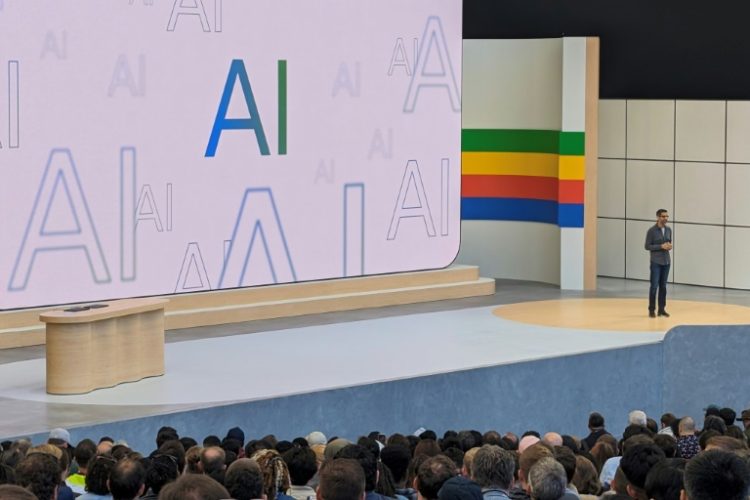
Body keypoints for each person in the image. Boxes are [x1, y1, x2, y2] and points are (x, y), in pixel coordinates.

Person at [644, 209, 672, 318]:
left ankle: (661, 309)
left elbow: (669, 242)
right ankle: (651, 310)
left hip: (666, 262)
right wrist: (660, 246)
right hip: (656, 262)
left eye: (666, 216)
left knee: (663, 286)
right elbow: (647, 246)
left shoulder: (669, 229)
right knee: (654, 286)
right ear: (658, 217)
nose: (665, 218)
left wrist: (669, 246)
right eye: (663, 216)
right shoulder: (651, 231)